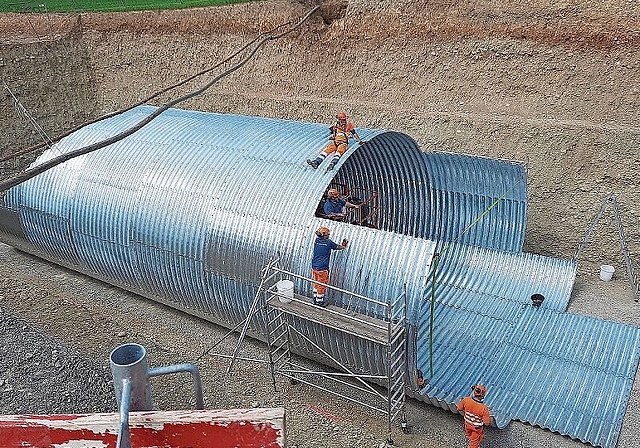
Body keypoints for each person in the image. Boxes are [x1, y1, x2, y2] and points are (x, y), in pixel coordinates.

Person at [311, 226, 348, 306]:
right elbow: (337, 247)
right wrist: (344, 246)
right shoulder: (328, 242)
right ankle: (319, 302)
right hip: (322, 269)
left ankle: (314, 299)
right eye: (328, 235)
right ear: (324, 235)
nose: (329, 236)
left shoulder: (316, 241)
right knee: (322, 285)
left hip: (314, 266)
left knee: (316, 283)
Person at [457, 384, 491, 448]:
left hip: (467, 424)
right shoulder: (484, 408)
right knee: (474, 444)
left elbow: (459, 408)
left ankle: (472, 439)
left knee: (469, 434)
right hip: (476, 428)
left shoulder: (465, 400)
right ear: (482, 395)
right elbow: (487, 422)